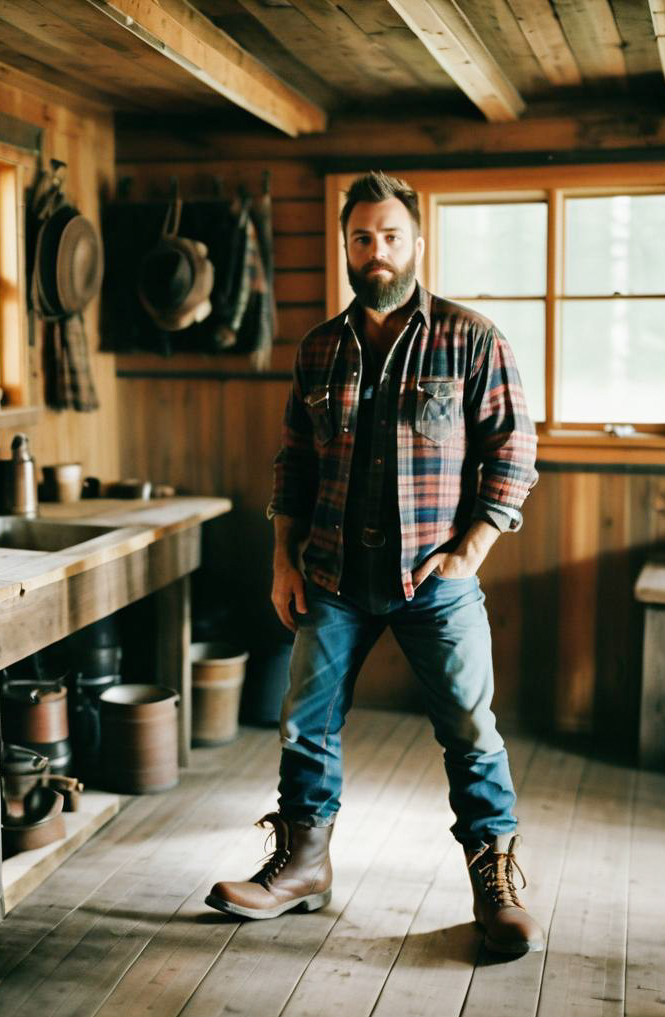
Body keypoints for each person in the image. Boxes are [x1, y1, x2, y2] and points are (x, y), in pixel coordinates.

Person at [206, 171, 542, 956]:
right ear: (346, 246)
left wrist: (471, 551)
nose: (377, 251)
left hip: (436, 579)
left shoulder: (472, 338)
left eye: (391, 236)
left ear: (417, 243)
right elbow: (292, 462)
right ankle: (302, 866)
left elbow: (514, 454)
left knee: (468, 726)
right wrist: (283, 559)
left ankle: (494, 880)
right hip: (329, 576)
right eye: (362, 238)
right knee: (305, 724)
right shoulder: (320, 347)